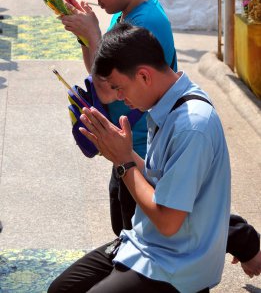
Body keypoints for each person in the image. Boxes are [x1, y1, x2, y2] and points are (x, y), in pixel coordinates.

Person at [60, 0, 260, 278]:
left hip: (138, 143)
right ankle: (245, 245)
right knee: (176, 211)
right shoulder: (127, 14)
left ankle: (243, 245)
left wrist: (93, 36)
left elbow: (107, 90)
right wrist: (88, 36)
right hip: (135, 144)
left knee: (170, 215)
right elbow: (104, 76)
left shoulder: (146, 21)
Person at [48, 23, 231, 293]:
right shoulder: (167, 102)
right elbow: (158, 181)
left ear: (144, 76)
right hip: (146, 244)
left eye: (119, 87)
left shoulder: (193, 125)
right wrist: (118, 149)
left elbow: (168, 221)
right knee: (61, 289)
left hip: (177, 265)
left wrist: (124, 162)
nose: (119, 98)